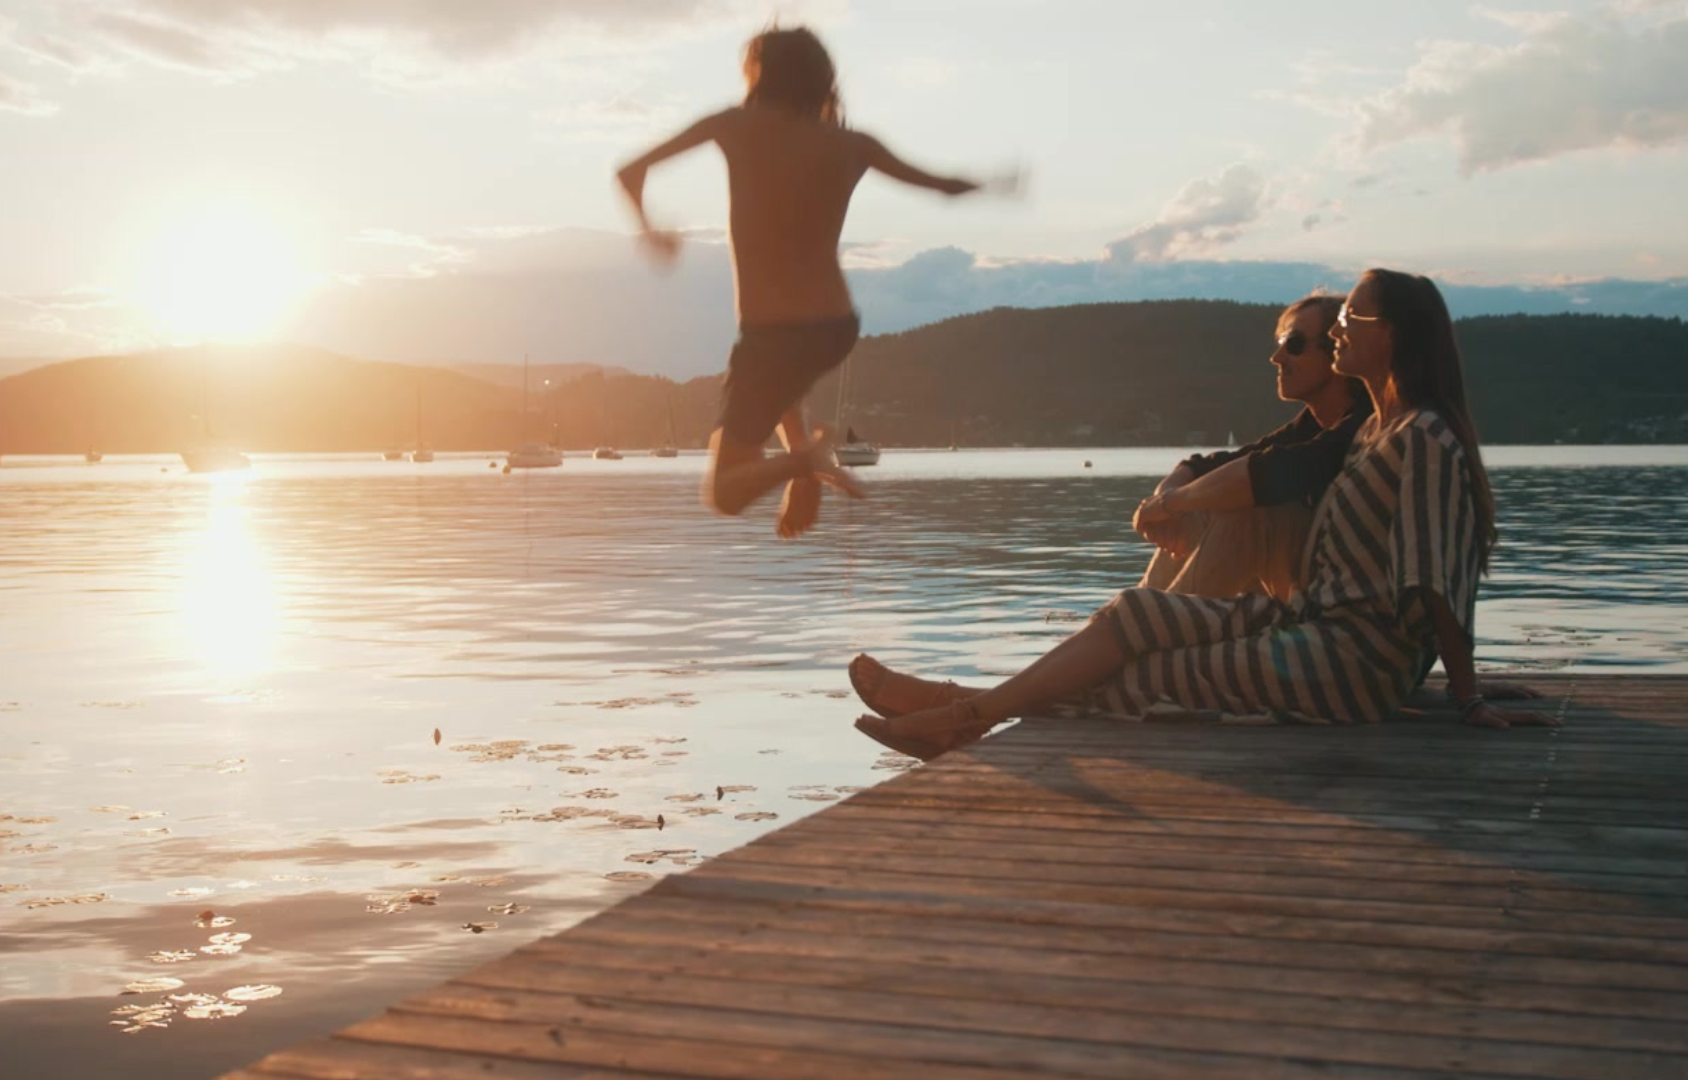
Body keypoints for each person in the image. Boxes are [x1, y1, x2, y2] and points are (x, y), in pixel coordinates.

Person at [849, 269, 1555, 760]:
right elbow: (1251, 460)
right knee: (1136, 616)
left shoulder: (1424, 437)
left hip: (1349, 664)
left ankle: (960, 714)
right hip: (1314, 628)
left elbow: (1435, 577)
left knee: (1149, 680)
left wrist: (1461, 695)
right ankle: (962, 710)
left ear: (1393, 337)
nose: (1338, 328)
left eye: (1349, 319)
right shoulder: (1378, 432)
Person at [615, 25, 1013, 538]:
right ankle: (801, 460)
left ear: (759, 75)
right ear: (822, 80)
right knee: (781, 371)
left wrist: (651, 230)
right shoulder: (853, 144)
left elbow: (630, 170)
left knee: (725, 492)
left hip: (771, 333)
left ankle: (804, 462)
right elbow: (943, 188)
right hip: (833, 328)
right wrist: (996, 183)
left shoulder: (736, 126)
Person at [1134, 293, 1371, 600]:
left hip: (1341, 609)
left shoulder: (1364, 426)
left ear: (1337, 347)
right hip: (1304, 588)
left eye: (1294, 344)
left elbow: (1256, 475)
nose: (1277, 357)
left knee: (1244, 509)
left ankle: (1147, 627)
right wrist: (1165, 503)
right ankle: (1140, 620)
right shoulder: (1310, 425)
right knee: (1204, 508)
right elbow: (1207, 467)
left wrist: (1167, 505)